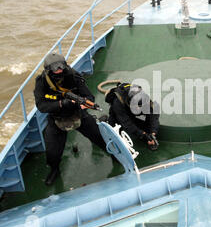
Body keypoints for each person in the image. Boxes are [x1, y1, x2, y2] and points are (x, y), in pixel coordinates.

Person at [34, 52, 107, 186]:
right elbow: (41, 106)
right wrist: (61, 104)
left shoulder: (73, 76)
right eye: (55, 69)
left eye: (61, 68)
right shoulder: (42, 81)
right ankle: (54, 170)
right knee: (52, 152)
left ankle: (114, 155)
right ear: (49, 70)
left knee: (99, 136)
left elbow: (89, 97)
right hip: (56, 117)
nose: (59, 71)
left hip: (77, 113)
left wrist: (83, 105)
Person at [103, 82, 160, 150]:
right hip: (120, 110)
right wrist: (143, 135)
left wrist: (153, 132)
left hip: (130, 106)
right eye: (136, 107)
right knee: (115, 125)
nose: (138, 109)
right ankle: (106, 121)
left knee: (149, 116)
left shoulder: (145, 99)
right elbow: (127, 123)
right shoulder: (118, 103)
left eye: (140, 107)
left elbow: (154, 116)